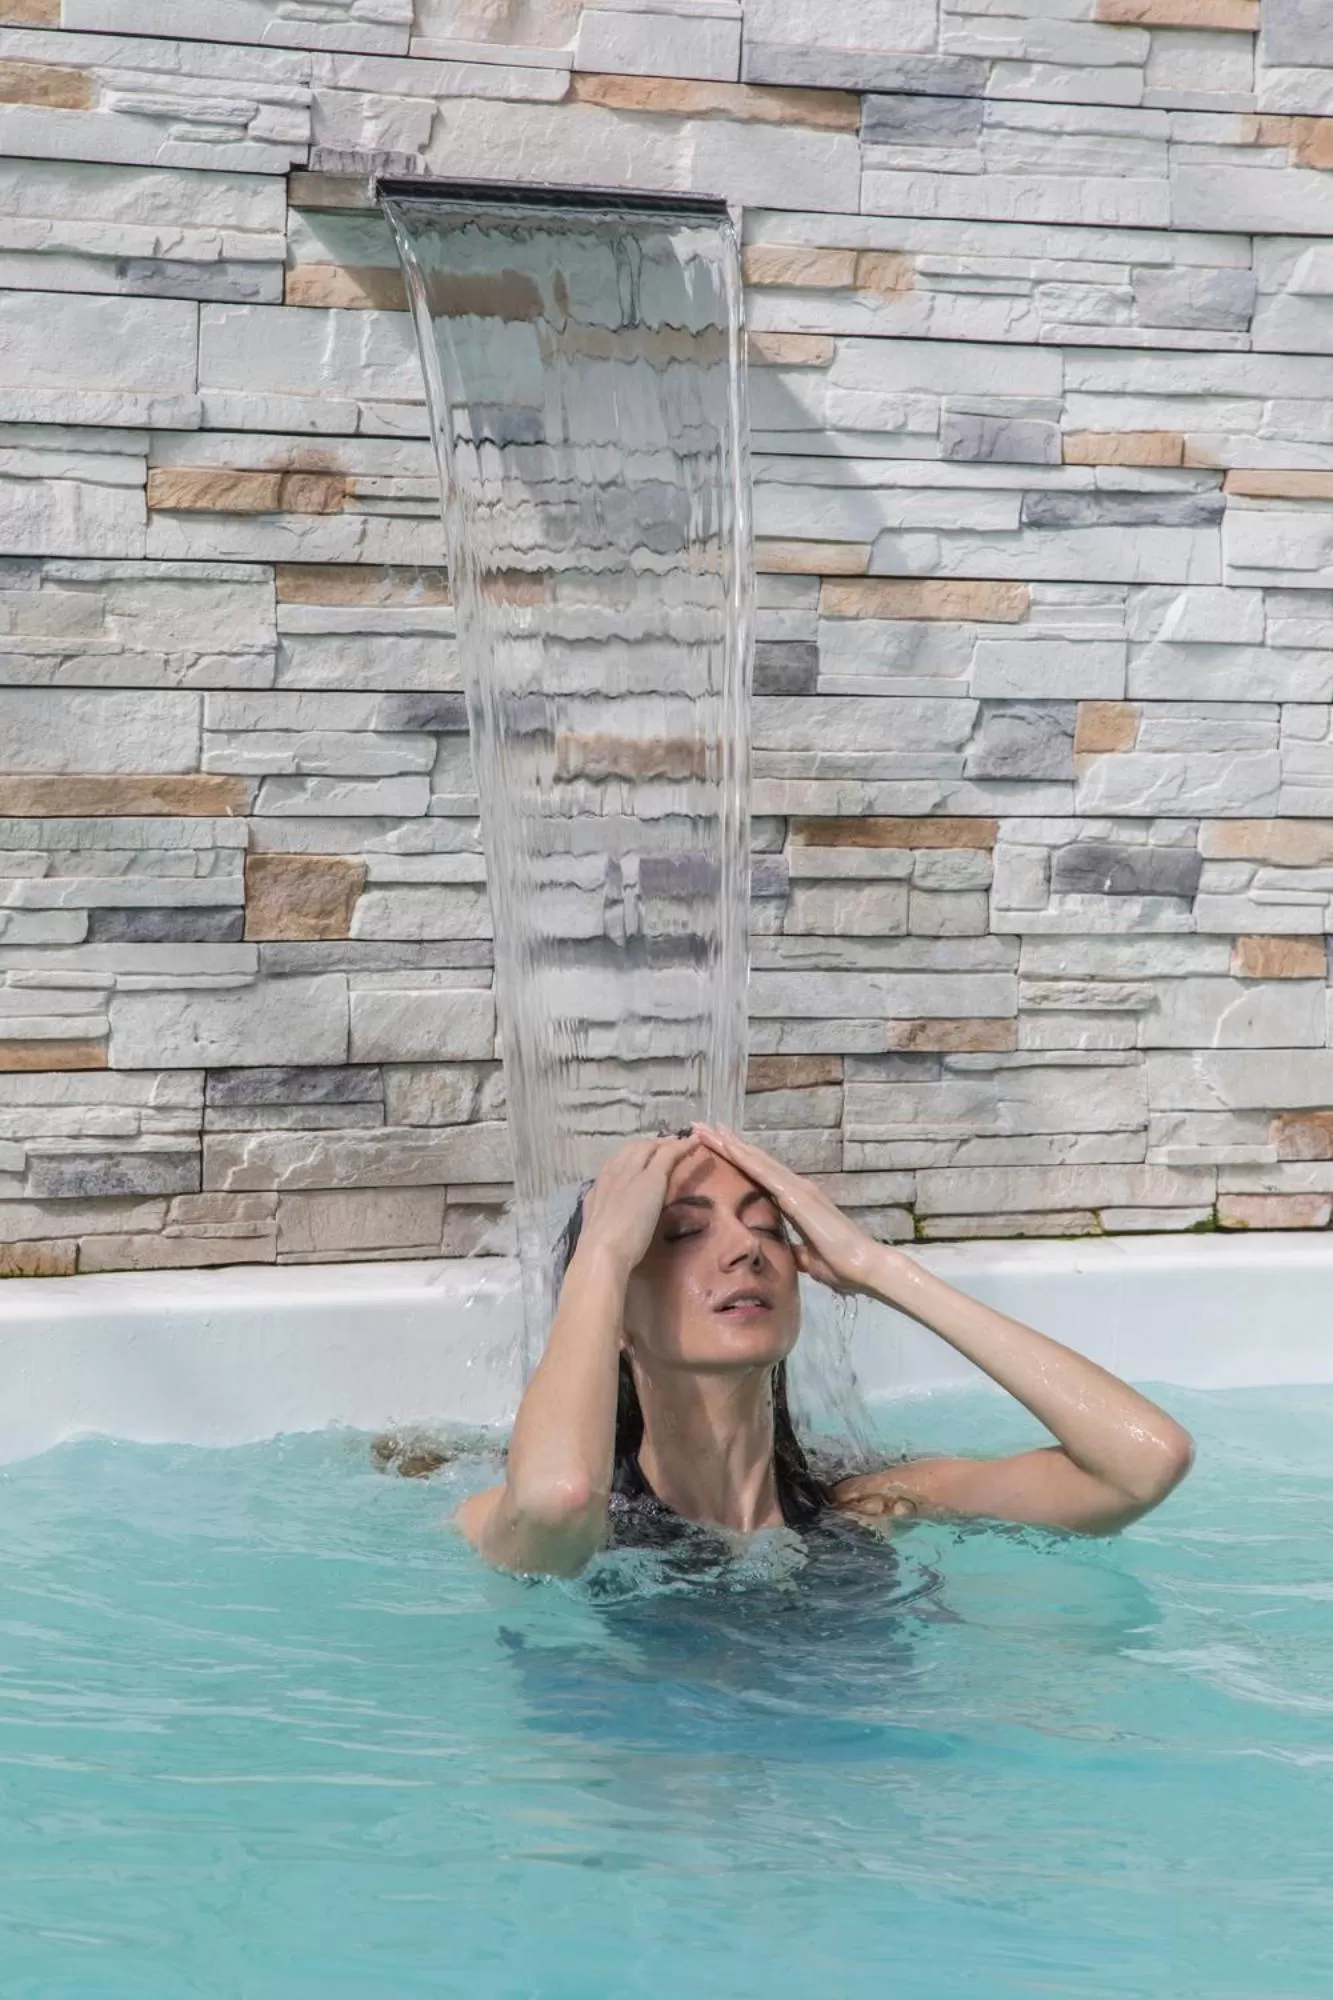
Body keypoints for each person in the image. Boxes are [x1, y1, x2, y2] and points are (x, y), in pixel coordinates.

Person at [458, 1125, 1194, 1576]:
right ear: (610, 1301)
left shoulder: (869, 1505)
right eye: (681, 1233)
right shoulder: (565, 1527)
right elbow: (558, 1499)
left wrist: (876, 1268)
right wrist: (601, 1252)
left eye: (767, 1228)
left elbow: (1142, 1463)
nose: (745, 1249)